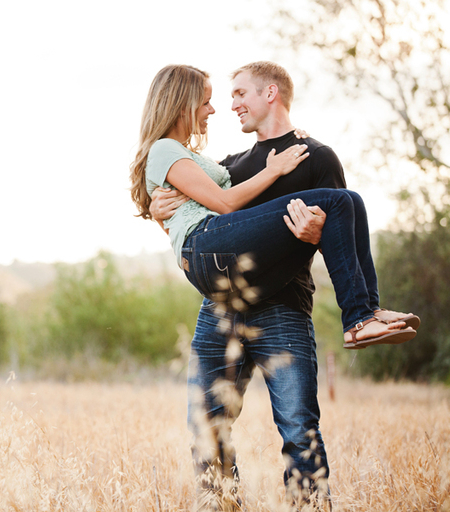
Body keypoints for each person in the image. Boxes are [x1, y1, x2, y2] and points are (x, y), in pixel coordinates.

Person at [130, 63, 419, 509]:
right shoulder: (231, 164)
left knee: (298, 427)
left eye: (240, 93)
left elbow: (338, 238)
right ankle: (220, 505)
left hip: (283, 306)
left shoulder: (315, 156)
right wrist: (155, 206)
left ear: (271, 93)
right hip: (222, 306)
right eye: (219, 97)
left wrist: (314, 233)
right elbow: (200, 212)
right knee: (206, 426)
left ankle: (363, 315)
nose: (228, 105)